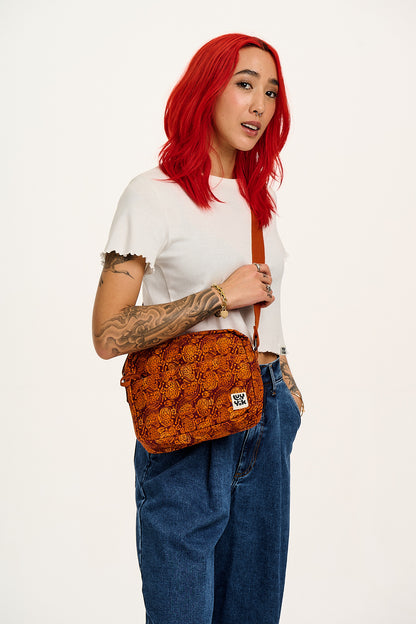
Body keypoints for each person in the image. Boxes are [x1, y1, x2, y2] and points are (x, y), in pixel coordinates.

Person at [92, 33, 304, 624]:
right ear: (206, 89)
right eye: (244, 85)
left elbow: (265, 311)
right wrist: (217, 295)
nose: (259, 104)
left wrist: (287, 391)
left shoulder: (257, 201)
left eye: (271, 92)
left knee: (255, 611)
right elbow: (108, 332)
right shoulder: (152, 195)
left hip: (265, 415)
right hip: (190, 423)